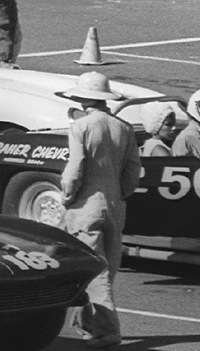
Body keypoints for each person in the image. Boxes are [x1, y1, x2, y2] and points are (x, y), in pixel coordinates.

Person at [59, 71, 141, 349]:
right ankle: (88, 323)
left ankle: (107, 331)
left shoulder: (81, 127)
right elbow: (132, 173)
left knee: (94, 271)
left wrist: (67, 197)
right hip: (115, 204)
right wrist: (118, 195)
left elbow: (75, 169)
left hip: (86, 206)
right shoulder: (124, 128)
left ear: (83, 99)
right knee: (107, 268)